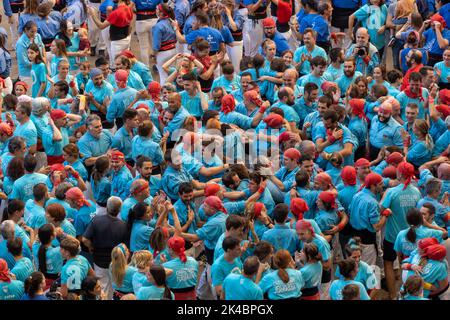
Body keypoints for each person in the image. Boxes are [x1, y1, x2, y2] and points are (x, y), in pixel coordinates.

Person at [82, 196, 127, 300]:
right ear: (119, 209)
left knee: (101, 290)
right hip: (116, 262)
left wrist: (91, 246)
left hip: (99, 261)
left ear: (107, 207)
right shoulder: (123, 225)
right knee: (113, 288)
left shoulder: (96, 221)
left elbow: (85, 239)